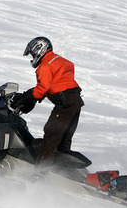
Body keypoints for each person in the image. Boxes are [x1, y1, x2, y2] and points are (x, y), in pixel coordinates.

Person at [11, 36, 84, 170]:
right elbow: (57, 84)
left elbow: (43, 87)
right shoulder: (59, 60)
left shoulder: (45, 65)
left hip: (65, 104)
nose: (33, 57)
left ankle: (41, 173)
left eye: (32, 53)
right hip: (75, 101)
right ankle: (62, 171)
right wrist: (34, 98)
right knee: (64, 138)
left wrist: (27, 97)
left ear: (39, 49)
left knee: (51, 136)